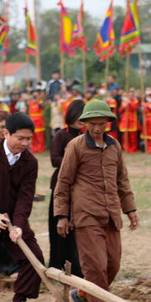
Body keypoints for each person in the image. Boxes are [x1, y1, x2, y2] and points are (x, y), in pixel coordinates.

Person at [54, 99, 139, 302]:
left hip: (111, 214)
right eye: (92, 124)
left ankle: (83, 293)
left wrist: (130, 210)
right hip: (86, 214)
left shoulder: (114, 146)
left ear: (108, 123)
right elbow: (63, 182)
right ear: (85, 124)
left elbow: (122, 181)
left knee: (113, 265)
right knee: (95, 266)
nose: (97, 128)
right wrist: (62, 215)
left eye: (101, 123)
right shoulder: (75, 146)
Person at [0, 113, 43, 302]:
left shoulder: (29, 162)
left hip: (12, 222)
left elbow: (26, 197)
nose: (25, 143)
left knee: (34, 259)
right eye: (20, 138)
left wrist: (18, 225)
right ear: (6, 133)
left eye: (29, 139)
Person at [49, 100, 85, 278]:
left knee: (77, 230)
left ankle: (78, 268)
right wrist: (72, 161)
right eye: (78, 115)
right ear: (71, 115)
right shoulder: (61, 136)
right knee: (60, 230)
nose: (81, 119)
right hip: (61, 187)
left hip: (81, 189)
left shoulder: (87, 137)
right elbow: (54, 159)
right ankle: (57, 266)